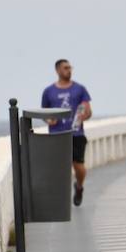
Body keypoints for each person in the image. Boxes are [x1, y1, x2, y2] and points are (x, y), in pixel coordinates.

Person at [41, 59, 93, 207]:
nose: (69, 70)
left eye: (70, 67)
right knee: (59, 168)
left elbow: (88, 110)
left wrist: (85, 115)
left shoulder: (80, 89)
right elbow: (44, 112)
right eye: (65, 68)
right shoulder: (48, 91)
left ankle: (79, 186)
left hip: (76, 134)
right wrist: (49, 120)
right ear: (57, 70)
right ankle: (60, 198)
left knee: (79, 166)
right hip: (57, 135)